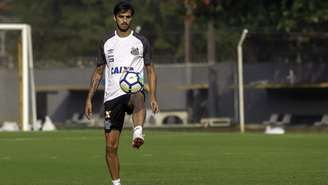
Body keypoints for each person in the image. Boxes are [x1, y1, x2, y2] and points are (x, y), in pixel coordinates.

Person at [84, 1, 159, 185]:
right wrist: (89, 99)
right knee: (110, 147)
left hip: (133, 91)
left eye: (128, 17)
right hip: (112, 97)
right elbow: (98, 72)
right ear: (114, 18)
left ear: (131, 18)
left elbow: (150, 70)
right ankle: (116, 183)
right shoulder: (106, 42)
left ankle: (138, 132)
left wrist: (154, 96)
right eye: (121, 17)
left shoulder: (141, 41)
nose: (125, 20)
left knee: (138, 95)